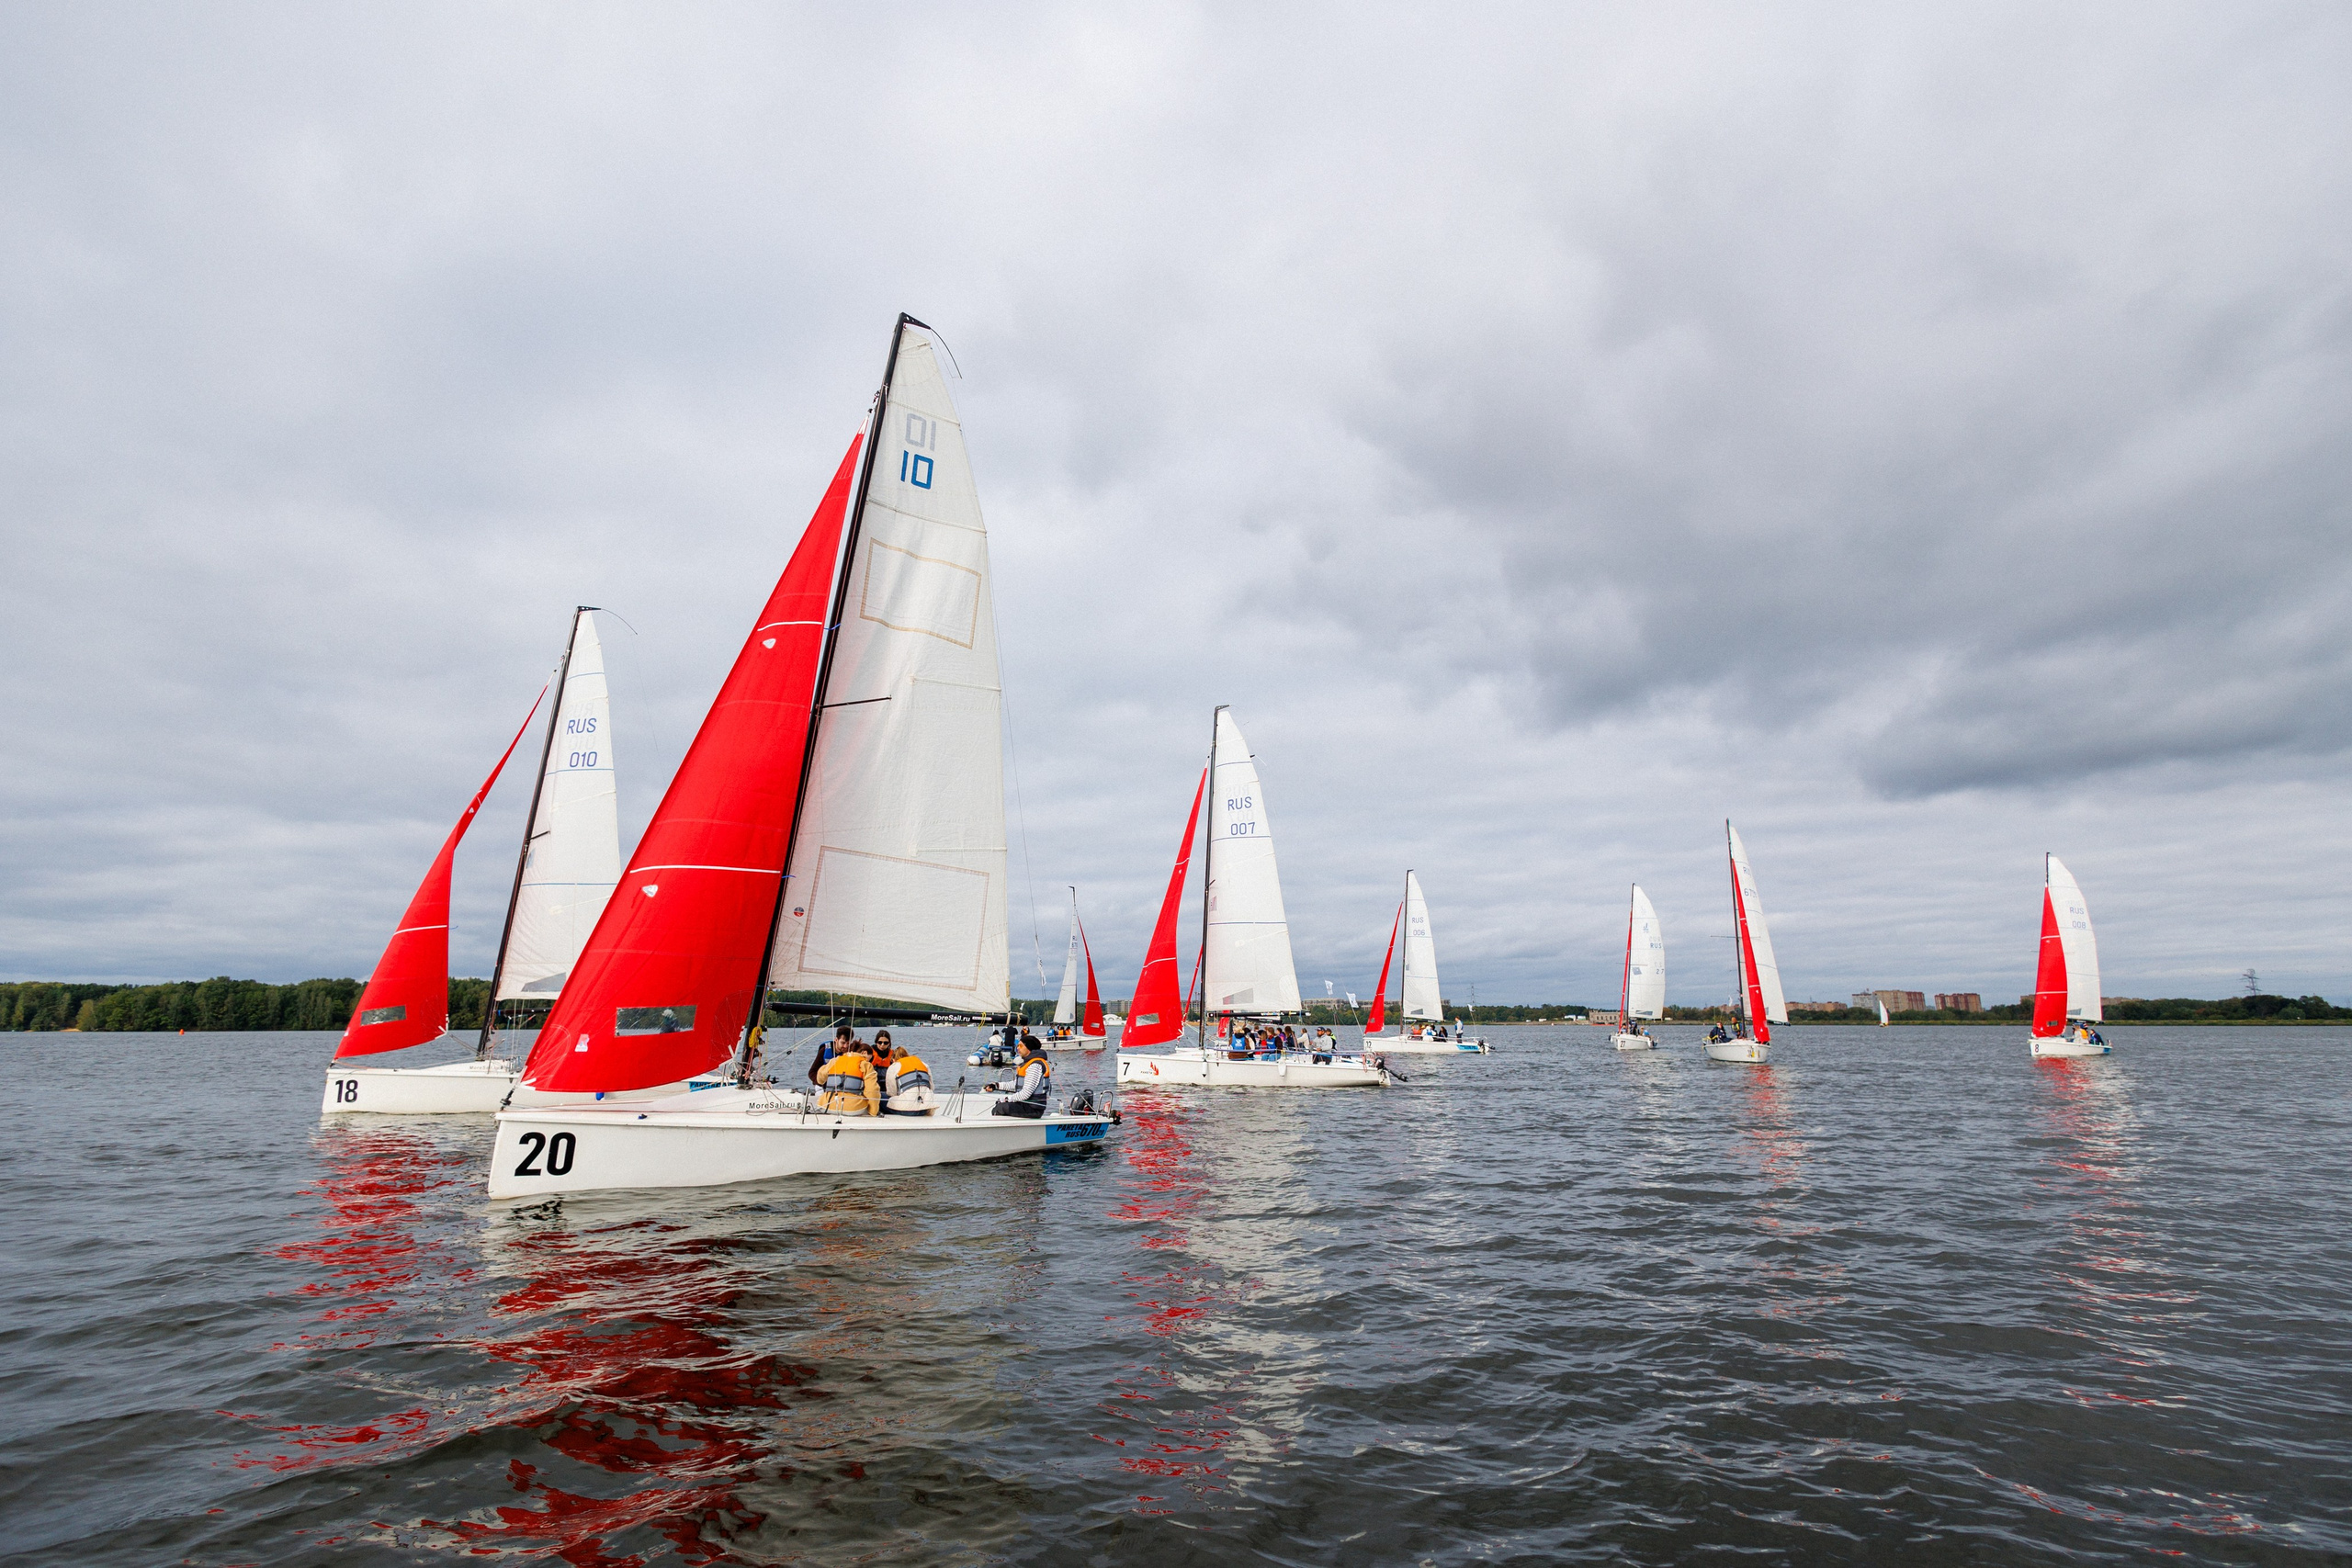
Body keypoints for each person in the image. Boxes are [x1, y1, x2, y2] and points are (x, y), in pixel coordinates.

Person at [815, 1034, 881, 1115]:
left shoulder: (835, 1060)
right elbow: (872, 1090)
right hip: (852, 1108)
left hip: (827, 1105)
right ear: (864, 1053)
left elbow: (820, 1078)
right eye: (869, 1059)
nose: (868, 1061)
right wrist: (873, 1112)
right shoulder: (865, 1064)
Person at [877, 1032, 937, 1116]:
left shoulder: (895, 1066)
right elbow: (931, 1087)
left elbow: (891, 1093)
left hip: (906, 1110)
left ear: (893, 1059)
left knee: (878, 1095)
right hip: (925, 1108)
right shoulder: (923, 1064)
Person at [992, 1036, 1050, 1118]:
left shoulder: (1035, 1066)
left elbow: (1026, 1093)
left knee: (1000, 1108)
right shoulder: (1029, 1063)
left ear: (1029, 1047)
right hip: (1025, 1105)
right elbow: (1016, 1085)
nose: (1018, 1048)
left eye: (1021, 1046)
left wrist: (1006, 1099)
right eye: (1018, 1046)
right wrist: (996, 1086)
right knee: (1000, 1105)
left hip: (1033, 1108)